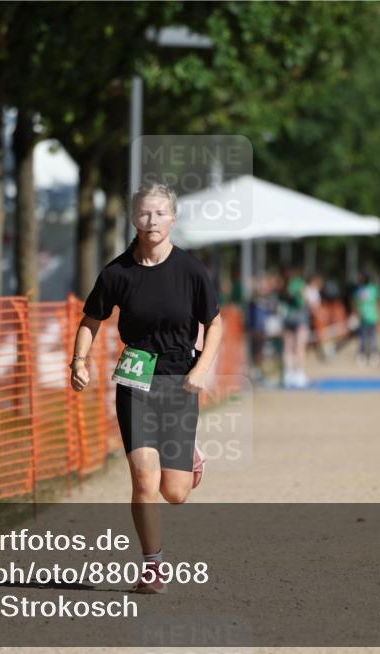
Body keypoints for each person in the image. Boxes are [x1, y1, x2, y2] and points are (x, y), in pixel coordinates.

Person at [70, 183, 222, 594]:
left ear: (173, 219)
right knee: (143, 480)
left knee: (174, 492)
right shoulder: (117, 273)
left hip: (179, 380)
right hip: (135, 380)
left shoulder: (190, 271)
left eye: (159, 214)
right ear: (133, 219)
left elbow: (216, 323)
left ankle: (189, 455)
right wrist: (78, 361)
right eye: (144, 214)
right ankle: (152, 566)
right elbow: (90, 320)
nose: (151, 221)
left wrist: (202, 368)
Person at [280, 267, 310, 387]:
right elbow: (304, 301)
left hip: (287, 318)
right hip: (299, 318)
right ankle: (299, 374)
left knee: (288, 347)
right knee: (300, 347)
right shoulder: (300, 283)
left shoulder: (284, 285)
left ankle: (288, 374)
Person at [354, 272, 380, 366]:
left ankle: (373, 355)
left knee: (372, 337)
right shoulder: (360, 290)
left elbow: (379, 301)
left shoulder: (373, 289)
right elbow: (357, 304)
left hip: (372, 317)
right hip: (363, 317)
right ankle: (362, 355)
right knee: (363, 338)